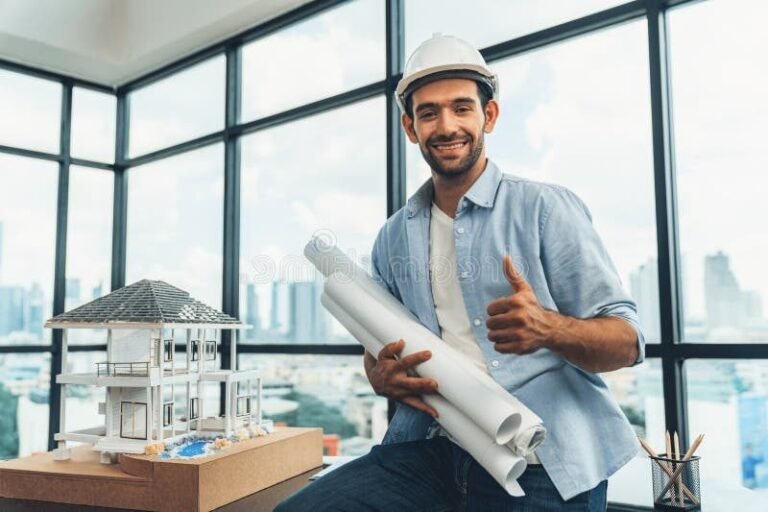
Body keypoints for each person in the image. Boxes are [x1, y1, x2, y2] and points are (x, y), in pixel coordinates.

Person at [277, 33, 645, 512]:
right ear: (410, 128)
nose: (446, 125)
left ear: (488, 116)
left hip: (540, 460)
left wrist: (549, 328)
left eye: (461, 108)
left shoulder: (544, 209)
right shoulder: (393, 237)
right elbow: (377, 350)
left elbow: (628, 341)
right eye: (428, 113)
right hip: (431, 450)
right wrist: (380, 375)